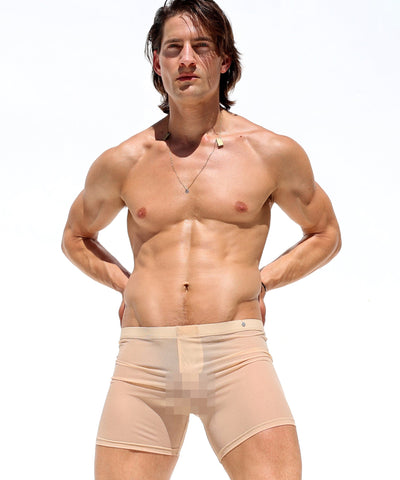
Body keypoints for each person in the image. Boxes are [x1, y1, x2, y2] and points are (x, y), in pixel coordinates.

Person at [61, 1, 341, 478]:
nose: (186, 59)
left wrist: (263, 281)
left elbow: (325, 233)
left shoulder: (271, 152)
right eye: (173, 48)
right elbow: (75, 237)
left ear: (224, 59)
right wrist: (126, 285)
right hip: (145, 363)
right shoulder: (124, 160)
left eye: (201, 46)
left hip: (235, 356)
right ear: (157, 62)